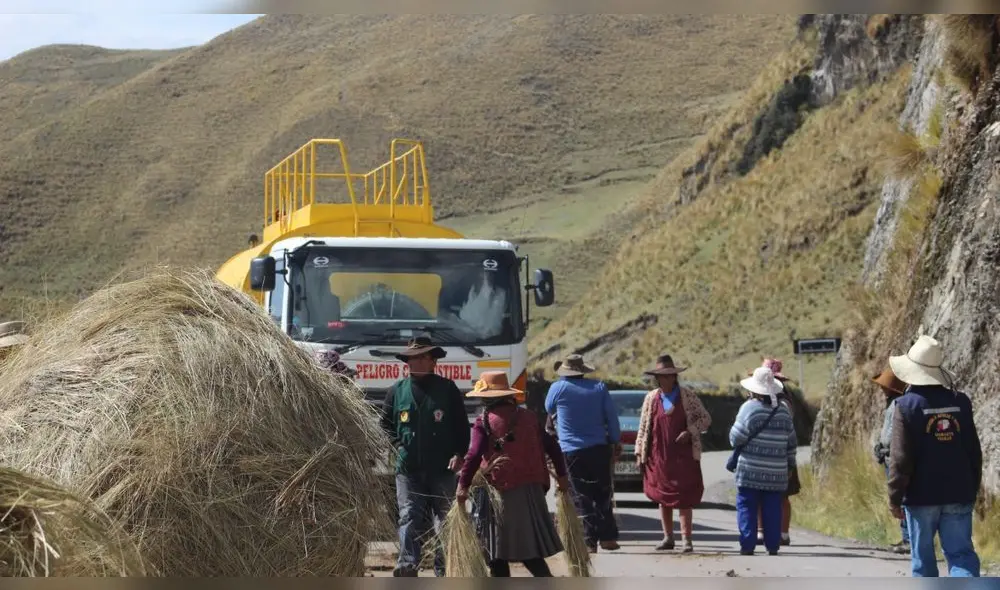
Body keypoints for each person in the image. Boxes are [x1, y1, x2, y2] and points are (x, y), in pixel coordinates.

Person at [887, 335, 983, 577]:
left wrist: (895, 497)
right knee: (961, 555)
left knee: (924, 562)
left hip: (921, 496)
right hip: (958, 491)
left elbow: (900, 459)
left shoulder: (906, 406)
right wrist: (973, 487)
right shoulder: (960, 402)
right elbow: (973, 449)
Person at [456, 371, 569, 577]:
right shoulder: (529, 417)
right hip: (531, 492)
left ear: (488, 397)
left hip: (499, 493)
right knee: (529, 551)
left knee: (496, 552)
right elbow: (553, 447)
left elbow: (473, 455)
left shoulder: (484, 421)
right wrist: (562, 477)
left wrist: (463, 485)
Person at [380, 336, 471, 577]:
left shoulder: (448, 390)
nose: (414, 362)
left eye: (421, 357)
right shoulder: (396, 391)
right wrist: (398, 445)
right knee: (409, 516)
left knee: (445, 520)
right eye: (411, 358)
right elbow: (386, 426)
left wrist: (459, 454)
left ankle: (444, 568)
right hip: (408, 469)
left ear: (433, 362)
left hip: (442, 469)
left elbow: (462, 427)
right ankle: (407, 566)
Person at [544, 353, 622, 553]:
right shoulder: (599, 387)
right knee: (603, 492)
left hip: (571, 450)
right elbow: (611, 418)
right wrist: (615, 440)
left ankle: (588, 541)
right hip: (598, 448)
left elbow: (549, 408)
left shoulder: (557, 388)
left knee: (580, 495)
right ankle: (608, 538)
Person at [634, 354, 711, 552]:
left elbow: (705, 419)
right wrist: (638, 452)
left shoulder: (687, 396)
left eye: (668, 376)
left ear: (674, 377)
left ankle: (687, 539)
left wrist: (690, 431)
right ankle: (668, 537)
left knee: (684, 497)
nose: (665, 379)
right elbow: (643, 427)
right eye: (661, 376)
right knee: (662, 497)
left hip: (683, 457)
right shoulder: (651, 398)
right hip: (659, 456)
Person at [729, 366, 797, 556]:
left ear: (753, 390)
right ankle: (773, 545)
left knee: (747, 506)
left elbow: (735, 438)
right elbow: (791, 443)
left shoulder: (748, 408)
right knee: (772, 508)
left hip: (749, 471)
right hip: (776, 473)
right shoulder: (783, 412)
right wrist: (789, 466)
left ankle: (747, 545)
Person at [748, 359, 799, 547]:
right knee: (770, 495)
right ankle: (765, 531)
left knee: (782, 496)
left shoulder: (783, 403)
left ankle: (782, 533)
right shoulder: (778, 400)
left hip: (780, 453)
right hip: (781, 453)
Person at [871, 365, 910, 555]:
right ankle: (907, 538)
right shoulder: (895, 403)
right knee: (901, 498)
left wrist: (882, 447)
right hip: (890, 455)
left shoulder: (897, 405)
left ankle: (908, 539)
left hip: (893, 457)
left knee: (901, 499)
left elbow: (891, 435)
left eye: (884, 386)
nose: (881, 389)